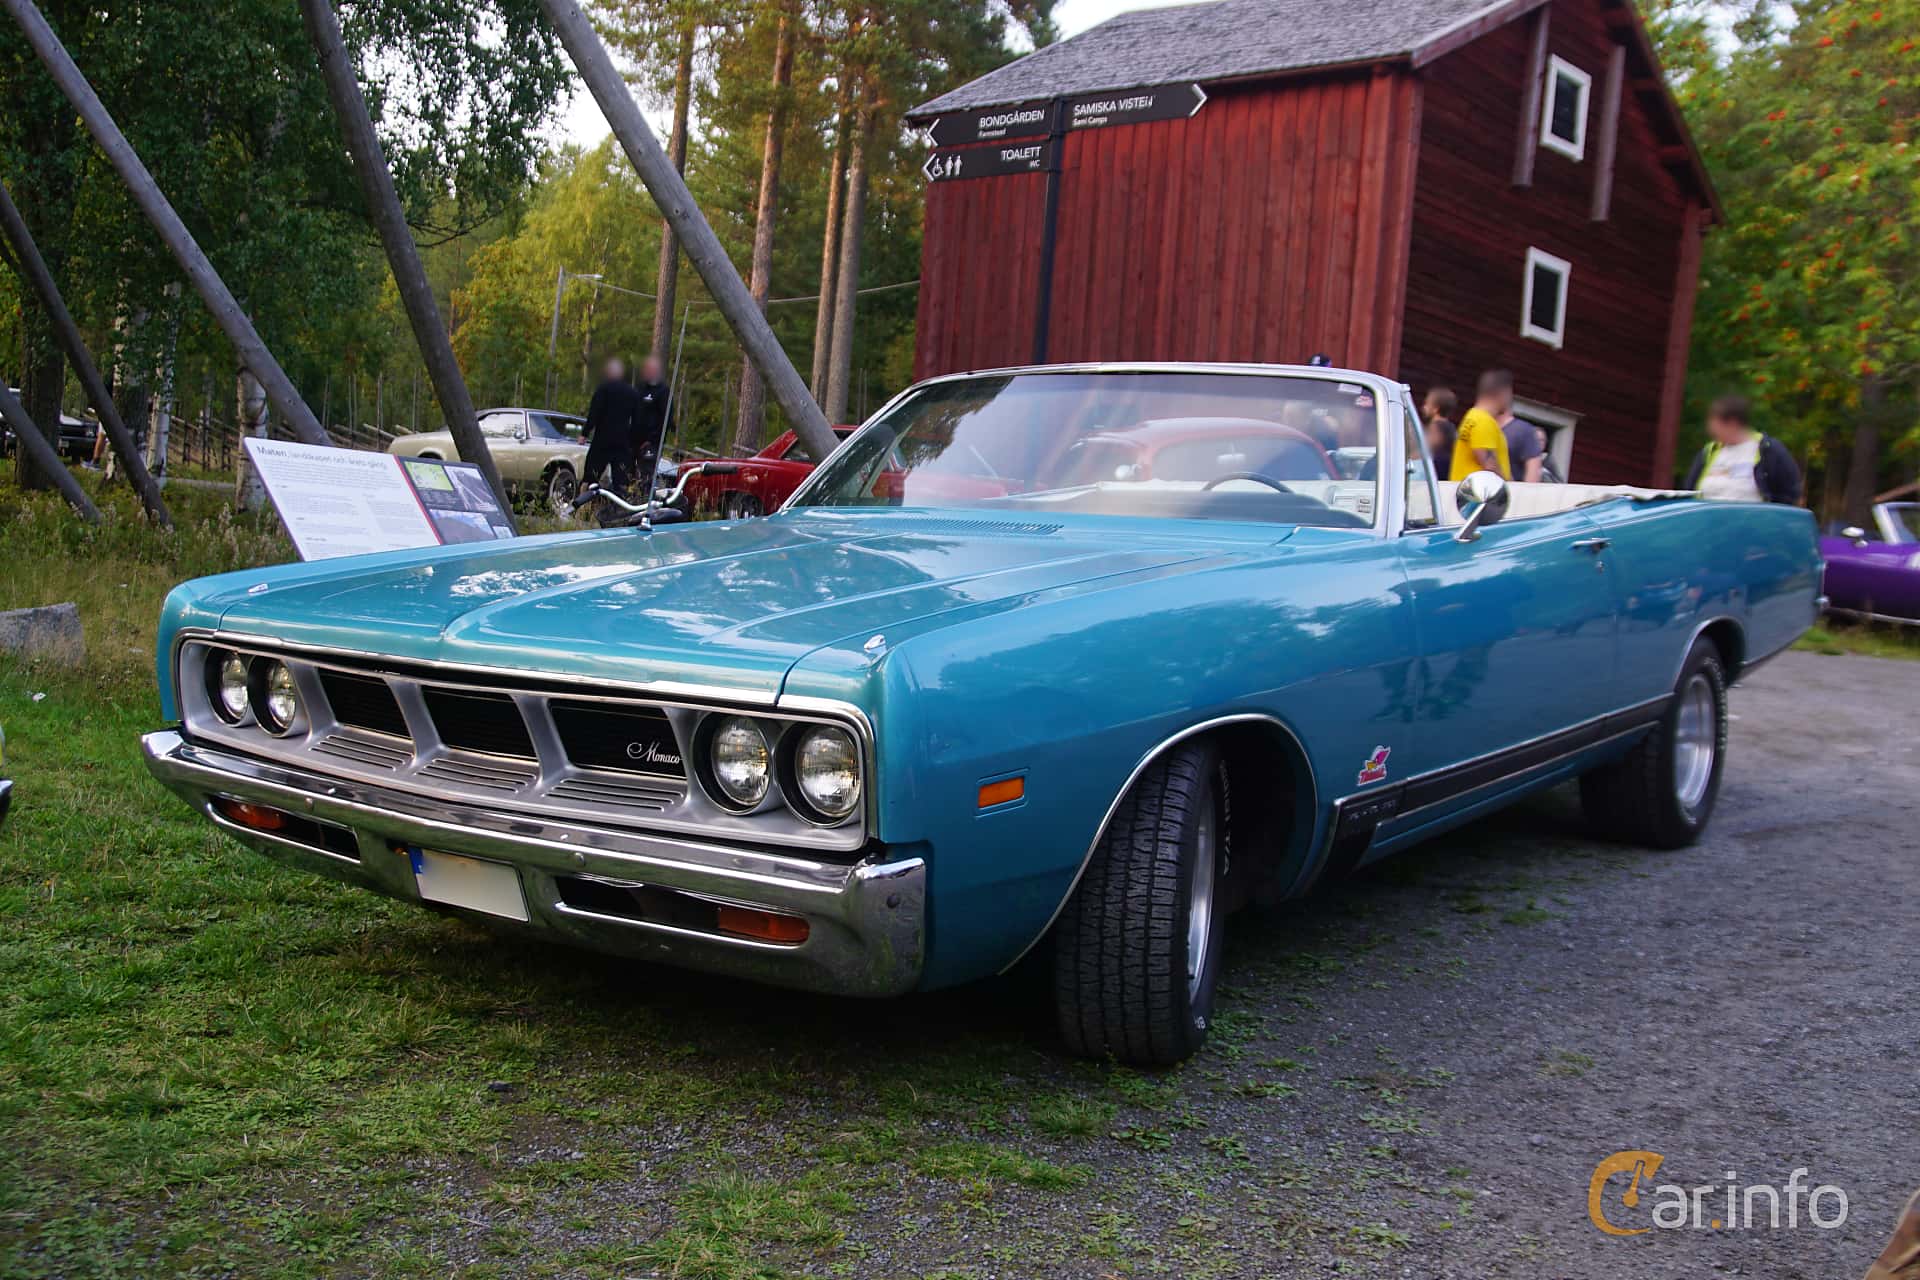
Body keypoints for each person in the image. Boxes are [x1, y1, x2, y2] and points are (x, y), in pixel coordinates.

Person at [1683, 394, 1801, 503]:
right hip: (1708, 521)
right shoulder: (1709, 451)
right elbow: (1689, 490)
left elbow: (1789, 493)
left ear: (1733, 424)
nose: (1710, 430)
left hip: (1752, 522)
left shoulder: (1769, 449)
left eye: (1715, 425)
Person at [581, 357, 641, 499]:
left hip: (602, 440)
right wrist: (633, 442)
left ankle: (582, 505)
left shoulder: (603, 390)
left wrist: (584, 433)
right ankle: (619, 510)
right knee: (621, 482)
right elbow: (637, 421)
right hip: (622, 443)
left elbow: (594, 414)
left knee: (591, 477)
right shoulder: (632, 393)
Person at [1450, 369, 1514, 481]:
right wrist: (1512, 488)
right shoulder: (1483, 420)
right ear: (1503, 393)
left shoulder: (1472, 416)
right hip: (1479, 495)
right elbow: (1490, 464)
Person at [632, 354, 674, 495]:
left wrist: (652, 440)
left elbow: (666, 419)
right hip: (634, 441)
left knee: (647, 476)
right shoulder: (639, 388)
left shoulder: (663, 392)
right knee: (630, 475)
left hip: (651, 443)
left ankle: (645, 501)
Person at [1501, 406, 1547, 483]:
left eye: (1542, 440)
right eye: (1537, 440)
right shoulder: (1515, 452)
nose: (1539, 443)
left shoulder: (1548, 462)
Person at [1422, 387, 1458, 467]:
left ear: (1435, 409)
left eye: (1426, 404)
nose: (1424, 407)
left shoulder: (1434, 426)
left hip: (1436, 469)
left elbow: (1426, 448)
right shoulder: (1452, 427)